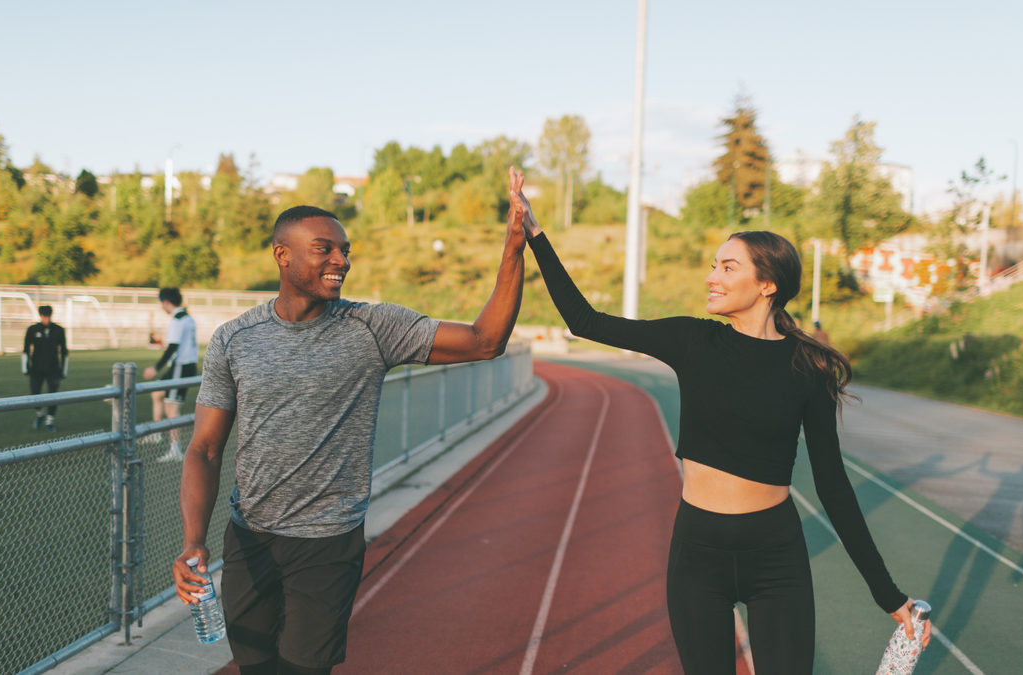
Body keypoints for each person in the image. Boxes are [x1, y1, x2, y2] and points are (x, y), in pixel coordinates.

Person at [515, 188, 929, 674]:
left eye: (728, 267)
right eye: (714, 265)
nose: (711, 277)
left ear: (767, 283)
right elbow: (584, 321)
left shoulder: (807, 368)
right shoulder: (693, 340)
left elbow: (833, 486)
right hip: (698, 552)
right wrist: (536, 235)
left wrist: (888, 596)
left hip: (776, 556)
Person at [172, 168, 528, 675]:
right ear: (282, 255)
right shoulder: (235, 338)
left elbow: (485, 340)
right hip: (248, 537)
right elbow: (204, 449)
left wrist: (513, 248)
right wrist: (192, 541)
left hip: (327, 543)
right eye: (325, 249)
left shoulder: (373, 327)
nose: (341, 260)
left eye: (345, 250)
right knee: (253, 666)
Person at [144, 287, 199, 461]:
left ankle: (175, 449)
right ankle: (157, 433)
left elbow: (173, 347)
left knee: (172, 408)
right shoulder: (188, 317)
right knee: (157, 393)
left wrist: (155, 368)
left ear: (166, 302)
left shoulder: (177, 320)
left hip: (180, 367)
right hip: (186, 365)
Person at [22, 305, 68, 431]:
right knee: (34, 394)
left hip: (53, 368)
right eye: (44, 316)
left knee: (53, 395)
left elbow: (64, 351)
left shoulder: (58, 330)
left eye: (47, 316)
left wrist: (64, 370)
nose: (46, 319)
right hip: (36, 368)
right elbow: (26, 349)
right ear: (40, 316)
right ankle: (40, 414)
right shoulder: (32, 329)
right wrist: (25, 368)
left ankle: (49, 421)